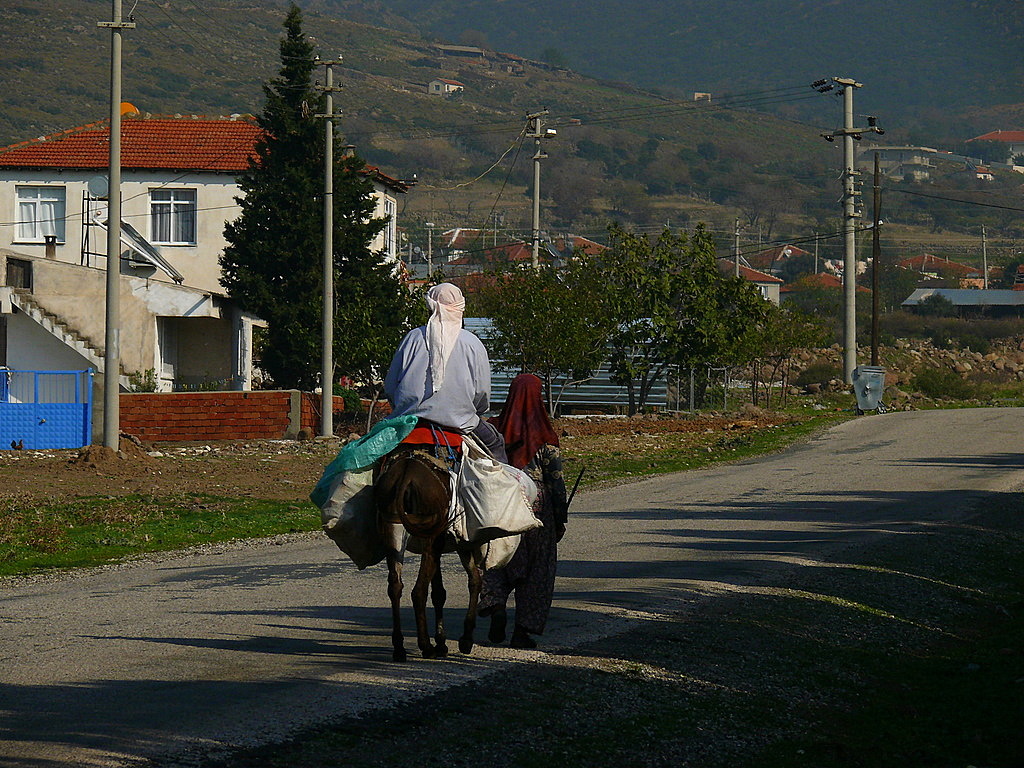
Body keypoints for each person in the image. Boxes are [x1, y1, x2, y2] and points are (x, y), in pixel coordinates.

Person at [478, 373, 568, 649]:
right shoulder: (546, 441)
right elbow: (557, 484)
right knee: (537, 570)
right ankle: (522, 631)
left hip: (502, 504)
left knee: (496, 558)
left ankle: (496, 607)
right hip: (536, 511)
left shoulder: (494, 434)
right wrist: (560, 519)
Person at [384, 282, 507, 462]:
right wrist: (473, 411)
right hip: (462, 422)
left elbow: (390, 386)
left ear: (430, 308)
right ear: (460, 309)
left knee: (369, 453)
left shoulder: (412, 338)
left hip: (408, 421)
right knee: (496, 445)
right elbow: (482, 393)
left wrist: (404, 407)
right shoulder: (473, 344)